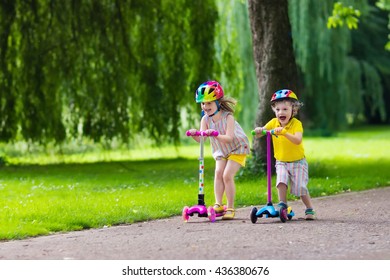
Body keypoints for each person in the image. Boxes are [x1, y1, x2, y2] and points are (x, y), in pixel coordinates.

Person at [188, 80, 250, 220]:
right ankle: (218, 204)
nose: (205, 106)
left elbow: (229, 138)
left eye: (209, 103)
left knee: (227, 175)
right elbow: (202, 140)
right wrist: (194, 134)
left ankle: (230, 207)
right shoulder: (205, 119)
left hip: (237, 148)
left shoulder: (228, 117)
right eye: (203, 103)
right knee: (218, 173)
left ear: (217, 102)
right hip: (221, 150)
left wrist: (215, 134)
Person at [253, 89, 316, 220]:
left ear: (293, 110)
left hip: (298, 162)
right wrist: (259, 130)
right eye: (278, 110)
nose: (281, 112)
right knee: (281, 181)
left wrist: (284, 133)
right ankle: (283, 206)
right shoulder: (273, 123)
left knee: (300, 188)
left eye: (285, 109)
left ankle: (309, 209)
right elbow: (261, 132)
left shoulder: (296, 124)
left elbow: (298, 140)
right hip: (281, 161)